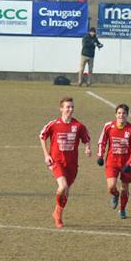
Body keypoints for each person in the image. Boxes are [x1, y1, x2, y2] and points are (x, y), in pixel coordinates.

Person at [39, 97, 91, 228]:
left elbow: (86, 139)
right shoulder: (54, 124)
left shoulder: (78, 126)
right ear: (61, 108)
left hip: (72, 164)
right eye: (67, 107)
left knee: (66, 192)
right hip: (56, 161)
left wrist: (88, 148)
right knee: (62, 187)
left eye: (72, 107)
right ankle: (57, 215)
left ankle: (58, 213)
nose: (70, 109)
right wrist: (46, 155)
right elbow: (42, 136)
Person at [97, 103, 131, 219]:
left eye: (124, 113)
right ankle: (115, 195)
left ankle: (122, 209)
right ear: (116, 114)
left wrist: (130, 164)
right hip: (112, 162)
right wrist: (100, 155)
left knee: (125, 188)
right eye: (119, 113)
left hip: (126, 163)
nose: (121, 115)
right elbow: (102, 141)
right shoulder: (108, 127)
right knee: (111, 186)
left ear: (127, 115)